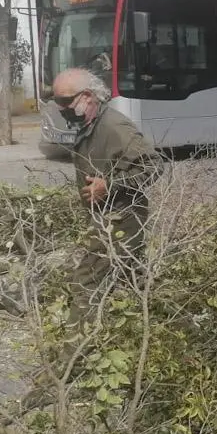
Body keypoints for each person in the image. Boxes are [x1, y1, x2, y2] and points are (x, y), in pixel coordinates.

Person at [51, 67, 162, 330]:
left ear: (88, 96)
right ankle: (147, 328)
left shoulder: (114, 127)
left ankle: (76, 347)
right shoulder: (87, 124)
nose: (61, 108)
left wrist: (109, 186)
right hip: (104, 217)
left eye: (66, 101)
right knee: (129, 279)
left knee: (86, 281)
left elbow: (153, 166)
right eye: (57, 102)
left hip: (122, 219)